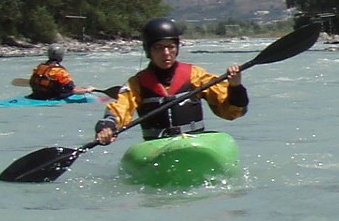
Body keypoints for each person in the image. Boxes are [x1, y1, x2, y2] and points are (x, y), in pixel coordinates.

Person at [95, 18, 246, 144]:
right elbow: (120, 108)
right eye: (159, 48)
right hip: (155, 146)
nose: (166, 53)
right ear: (149, 50)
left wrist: (236, 87)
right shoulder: (137, 83)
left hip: (193, 142)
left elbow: (231, 113)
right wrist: (107, 127)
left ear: (177, 48)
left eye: (170, 47)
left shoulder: (196, 75)